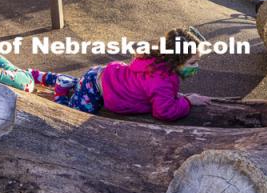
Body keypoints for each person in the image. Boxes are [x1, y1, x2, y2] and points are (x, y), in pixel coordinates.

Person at [30, 28, 210, 122]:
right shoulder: (161, 80)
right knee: (71, 114)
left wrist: (179, 97)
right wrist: (187, 101)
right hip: (97, 87)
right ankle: (61, 90)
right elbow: (163, 112)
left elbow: (158, 94)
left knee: (80, 85)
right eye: (192, 63)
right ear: (176, 60)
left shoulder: (159, 61)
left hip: (102, 76)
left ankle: (59, 80)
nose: (196, 67)